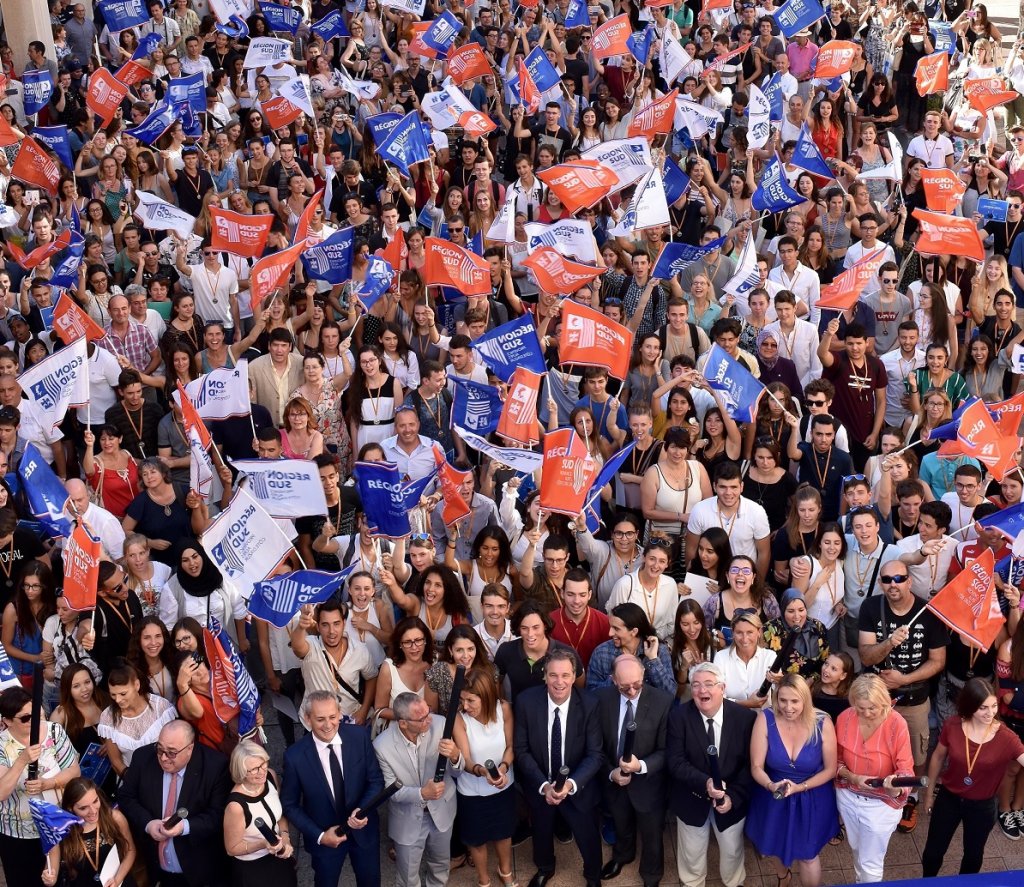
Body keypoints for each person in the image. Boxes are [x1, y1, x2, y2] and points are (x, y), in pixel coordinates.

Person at [858, 560, 947, 833]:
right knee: (874, 748)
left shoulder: (928, 612)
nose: (893, 584)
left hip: (914, 698)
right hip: (877, 698)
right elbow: (865, 654)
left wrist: (905, 679)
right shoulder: (872, 607)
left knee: (917, 752)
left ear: (910, 581)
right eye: (887, 579)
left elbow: (938, 660)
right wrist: (889, 643)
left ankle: (910, 797)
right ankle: (877, 791)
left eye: (899, 578)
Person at [512, 648, 603, 887]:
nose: (559, 682)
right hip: (540, 785)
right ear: (544, 676)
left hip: (578, 787)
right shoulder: (526, 702)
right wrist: (544, 786)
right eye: (553, 675)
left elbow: (595, 755)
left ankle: (593, 876)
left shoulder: (590, 704)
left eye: (565, 675)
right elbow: (521, 751)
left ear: (574, 676)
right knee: (541, 832)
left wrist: (570, 785)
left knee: (589, 837)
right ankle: (545, 868)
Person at [666, 661, 757, 887]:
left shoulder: (744, 718)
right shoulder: (679, 717)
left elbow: (751, 766)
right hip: (691, 797)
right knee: (691, 851)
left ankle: (734, 882)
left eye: (709, 684)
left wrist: (732, 797)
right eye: (695, 685)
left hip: (731, 800)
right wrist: (705, 782)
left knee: (732, 849)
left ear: (723, 688)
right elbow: (675, 761)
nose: (702, 690)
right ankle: (692, 883)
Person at [280, 691, 384, 887]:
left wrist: (361, 811)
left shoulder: (359, 737)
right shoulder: (294, 757)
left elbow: (376, 780)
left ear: (339, 713)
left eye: (332, 717)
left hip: (364, 833)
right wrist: (319, 836)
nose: (328, 725)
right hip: (324, 839)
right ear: (307, 719)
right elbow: (290, 804)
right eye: (320, 719)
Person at [922, 677, 1024, 877]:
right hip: (949, 798)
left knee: (973, 855)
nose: (990, 713)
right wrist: (928, 794)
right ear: (970, 706)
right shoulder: (953, 725)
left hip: (982, 805)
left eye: (994, 706)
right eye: (983, 708)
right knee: (933, 853)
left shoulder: (1007, 738)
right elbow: (937, 757)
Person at [745, 674, 839, 887]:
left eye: (795, 701)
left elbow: (830, 769)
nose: (788, 707)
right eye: (783, 700)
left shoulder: (823, 723)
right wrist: (771, 785)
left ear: (805, 699)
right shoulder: (765, 718)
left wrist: (801, 786)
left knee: (808, 855)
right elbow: (756, 766)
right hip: (774, 794)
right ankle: (783, 877)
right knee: (773, 846)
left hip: (812, 797)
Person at [117, 719, 231, 887]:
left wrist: (184, 827)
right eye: (160, 749)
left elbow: (218, 814)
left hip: (199, 870)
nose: (163, 758)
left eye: (171, 752)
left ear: (190, 748)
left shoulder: (215, 766)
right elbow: (126, 797)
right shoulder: (143, 757)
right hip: (157, 868)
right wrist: (148, 823)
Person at [595, 654, 673, 887]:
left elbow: (667, 749)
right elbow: (596, 746)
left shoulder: (663, 701)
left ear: (643, 677)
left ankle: (651, 874)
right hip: (614, 779)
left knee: (652, 834)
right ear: (612, 680)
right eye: (624, 687)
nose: (631, 691)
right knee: (621, 823)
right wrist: (610, 773)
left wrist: (641, 766)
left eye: (637, 685)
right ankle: (623, 855)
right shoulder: (600, 699)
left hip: (649, 783)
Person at [372, 692, 461, 887]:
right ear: (403, 723)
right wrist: (422, 793)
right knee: (407, 875)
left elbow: (458, 772)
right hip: (407, 817)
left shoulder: (440, 724)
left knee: (440, 864)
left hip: (442, 811)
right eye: (421, 718)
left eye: (428, 712)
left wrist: (455, 756)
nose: (429, 718)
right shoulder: (382, 746)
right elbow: (390, 790)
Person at [834, 675, 915, 883]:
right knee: (857, 849)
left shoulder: (897, 724)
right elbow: (836, 760)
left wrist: (895, 786)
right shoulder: (844, 717)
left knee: (871, 861)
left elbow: (906, 768)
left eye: (873, 708)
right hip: (849, 795)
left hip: (881, 803)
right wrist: (852, 776)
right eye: (861, 708)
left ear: (885, 702)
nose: (867, 713)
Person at [0, 685, 81, 885]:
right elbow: (1, 793)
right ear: (7, 721)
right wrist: (21, 760)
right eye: (25, 718)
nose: (34, 721)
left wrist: (48, 783)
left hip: (56, 825)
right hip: (17, 831)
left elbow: (74, 771)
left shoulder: (54, 731)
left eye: (35, 713)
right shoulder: (2, 744)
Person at [450, 667, 516, 887]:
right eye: (462, 700)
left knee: (504, 834)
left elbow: (510, 746)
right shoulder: (460, 719)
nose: (465, 706)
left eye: (471, 701)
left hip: (503, 785)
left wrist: (504, 768)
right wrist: (483, 772)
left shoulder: (504, 709)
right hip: (472, 791)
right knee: (476, 840)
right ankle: (484, 880)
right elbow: (466, 759)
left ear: (486, 696)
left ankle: (505, 871)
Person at [43, 777, 136, 887]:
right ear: (70, 808)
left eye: (95, 801)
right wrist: (49, 878)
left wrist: (117, 880)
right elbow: (51, 873)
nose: (93, 811)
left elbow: (130, 851)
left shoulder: (114, 818)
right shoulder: (60, 830)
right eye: (83, 808)